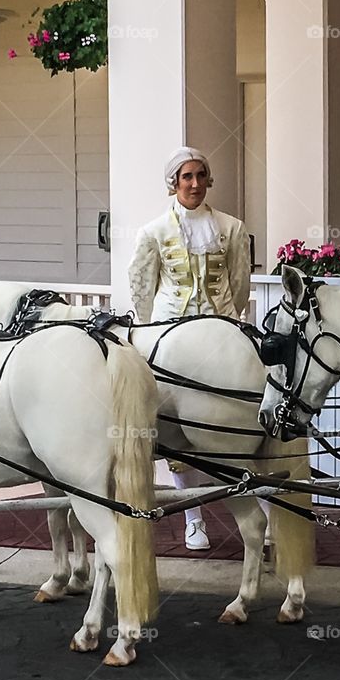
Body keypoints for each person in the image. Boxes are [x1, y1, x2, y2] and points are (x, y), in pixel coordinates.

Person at [127, 146, 252, 550]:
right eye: (187, 177)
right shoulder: (153, 232)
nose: (195, 184)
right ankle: (193, 518)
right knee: (175, 429)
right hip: (171, 332)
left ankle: (261, 507)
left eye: (200, 176)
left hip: (221, 330)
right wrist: (150, 337)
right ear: (174, 183)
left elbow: (239, 283)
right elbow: (142, 288)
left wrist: (231, 322)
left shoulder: (231, 228)